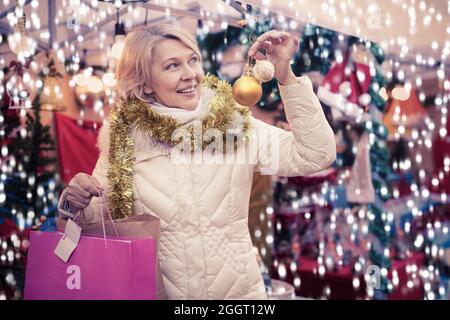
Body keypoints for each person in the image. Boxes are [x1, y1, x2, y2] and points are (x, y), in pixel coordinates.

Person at [57, 23, 336, 299]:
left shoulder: (233, 126)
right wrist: (74, 200)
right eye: (172, 66)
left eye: (193, 60)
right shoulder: (124, 142)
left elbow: (315, 153)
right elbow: (97, 220)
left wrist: (286, 77)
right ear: (144, 82)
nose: (190, 75)